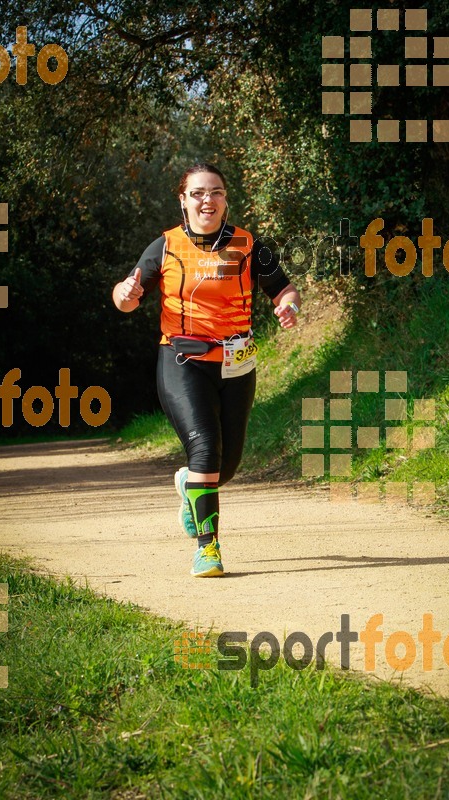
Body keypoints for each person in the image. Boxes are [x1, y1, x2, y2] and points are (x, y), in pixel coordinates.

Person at [112, 163, 301, 577]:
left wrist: (288, 306)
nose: (207, 200)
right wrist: (126, 293)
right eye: (198, 193)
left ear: (225, 199)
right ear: (183, 200)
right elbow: (125, 298)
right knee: (204, 452)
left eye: (215, 192)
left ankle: (188, 485)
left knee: (224, 467)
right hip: (182, 361)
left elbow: (284, 288)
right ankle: (207, 548)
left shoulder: (248, 245)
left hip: (236, 363)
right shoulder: (165, 246)